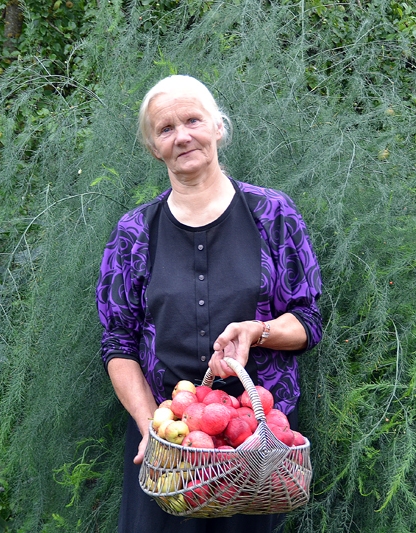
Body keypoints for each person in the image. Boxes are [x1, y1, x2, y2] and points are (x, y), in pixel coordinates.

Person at [96, 74, 323, 533]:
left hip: (257, 445)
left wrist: (258, 331)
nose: (182, 136)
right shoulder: (134, 232)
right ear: (153, 148)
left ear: (218, 127)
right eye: (165, 129)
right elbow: (118, 343)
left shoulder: (273, 215)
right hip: (169, 444)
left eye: (193, 120)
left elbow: (308, 320)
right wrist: (151, 430)